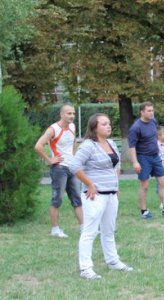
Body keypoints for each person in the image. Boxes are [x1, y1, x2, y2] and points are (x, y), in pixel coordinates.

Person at [69, 113, 133, 280]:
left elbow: (116, 165)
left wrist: (115, 186)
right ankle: (86, 269)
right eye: (104, 124)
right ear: (94, 127)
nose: (108, 126)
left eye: (109, 123)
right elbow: (74, 166)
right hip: (95, 197)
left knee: (109, 230)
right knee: (90, 231)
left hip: (111, 195)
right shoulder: (88, 145)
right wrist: (89, 184)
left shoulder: (111, 143)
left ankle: (113, 262)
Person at [34, 103, 83, 238]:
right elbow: (38, 146)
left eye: (73, 113)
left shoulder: (72, 127)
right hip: (59, 169)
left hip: (71, 168)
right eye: (69, 113)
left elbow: (74, 142)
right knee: (57, 199)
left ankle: (83, 228)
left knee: (77, 199)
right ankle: (55, 230)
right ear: (61, 114)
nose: (72, 116)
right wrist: (50, 160)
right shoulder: (53, 129)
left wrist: (74, 158)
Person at [128, 102, 164, 219]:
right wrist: (135, 162)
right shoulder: (136, 127)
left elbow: (154, 137)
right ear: (142, 112)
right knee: (145, 185)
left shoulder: (153, 122)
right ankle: (144, 211)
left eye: (152, 110)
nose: (151, 113)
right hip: (143, 158)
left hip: (155, 156)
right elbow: (132, 146)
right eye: (149, 111)